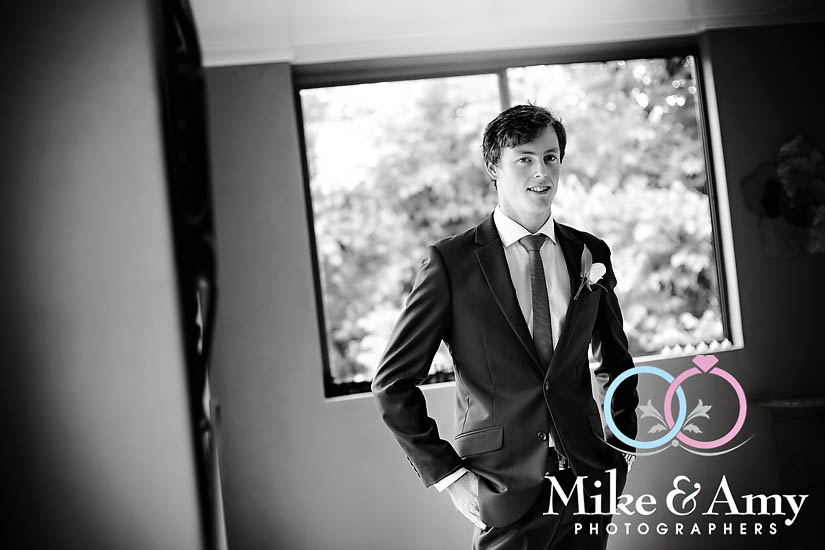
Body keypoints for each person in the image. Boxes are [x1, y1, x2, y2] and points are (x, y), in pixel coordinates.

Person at [371, 104, 639, 549]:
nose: (541, 172)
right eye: (525, 159)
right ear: (494, 167)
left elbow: (614, 359)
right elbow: (392, 384)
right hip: (503, 487)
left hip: (589, 479)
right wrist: (449, 476)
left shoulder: (590, 252)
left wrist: (622, 445)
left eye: (550, 157)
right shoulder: (450, 263)